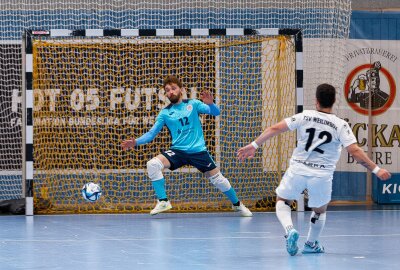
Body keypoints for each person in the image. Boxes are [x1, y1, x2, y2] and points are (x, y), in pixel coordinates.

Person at [237, 83, 391, 255]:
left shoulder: (305, 116)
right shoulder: (341, 125)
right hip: (322, 174)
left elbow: (275, 128)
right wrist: (377, 170)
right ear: (333, 101)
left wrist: (254, 145)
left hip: (298, 169)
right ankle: (311, 244)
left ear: (316, 100)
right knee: (320, 210)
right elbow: (354, 151)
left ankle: (289, 229)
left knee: (283, 201)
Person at [122, 75, 252, 217]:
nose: (170, 92)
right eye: (167, 90)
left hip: (198, 151)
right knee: (153, 164)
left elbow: (216, 112)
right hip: (178, 151)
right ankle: (163, 201)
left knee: (219, 180)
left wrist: (211, 104)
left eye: (173, 88)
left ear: (181, 90)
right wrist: (136, 142)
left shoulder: (193, 104)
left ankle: (237, 205)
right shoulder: (165, 113)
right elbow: (151, 134)